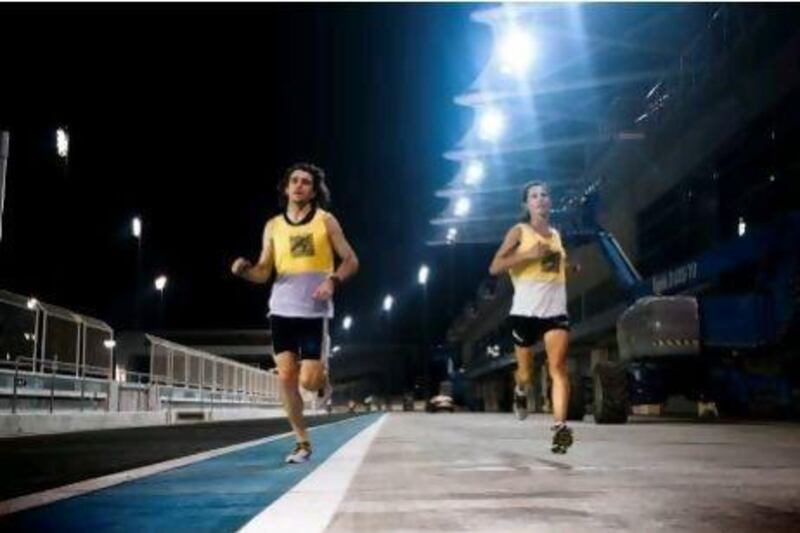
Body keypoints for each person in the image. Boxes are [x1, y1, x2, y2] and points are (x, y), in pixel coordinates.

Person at [232, 162, 359, 463]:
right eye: (294, 181)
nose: (299, 185)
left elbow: (352, 260)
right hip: (282, 309)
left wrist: (333, 279)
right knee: (286, 375)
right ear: (287, 188)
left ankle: (322, 380)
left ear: (314, 191)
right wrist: (246, 271)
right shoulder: (273, 226)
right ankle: (302, 443)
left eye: (305, 182)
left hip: (314, 312)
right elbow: (264, 272)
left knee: (308, 381)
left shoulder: (326, 221)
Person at [489, 181, 574, 454]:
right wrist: (526, 253)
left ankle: (560, 430)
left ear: (550, 202)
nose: (540, 199)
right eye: (534, 196)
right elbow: (495, 267)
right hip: (525, 314)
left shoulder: (556, 235)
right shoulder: (519, 231)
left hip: (555, 312)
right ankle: (521, 391)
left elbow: (552, 267)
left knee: (558, 368)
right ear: (526, 204)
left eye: (544, 195)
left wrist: (569, 267)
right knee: (525, 373)